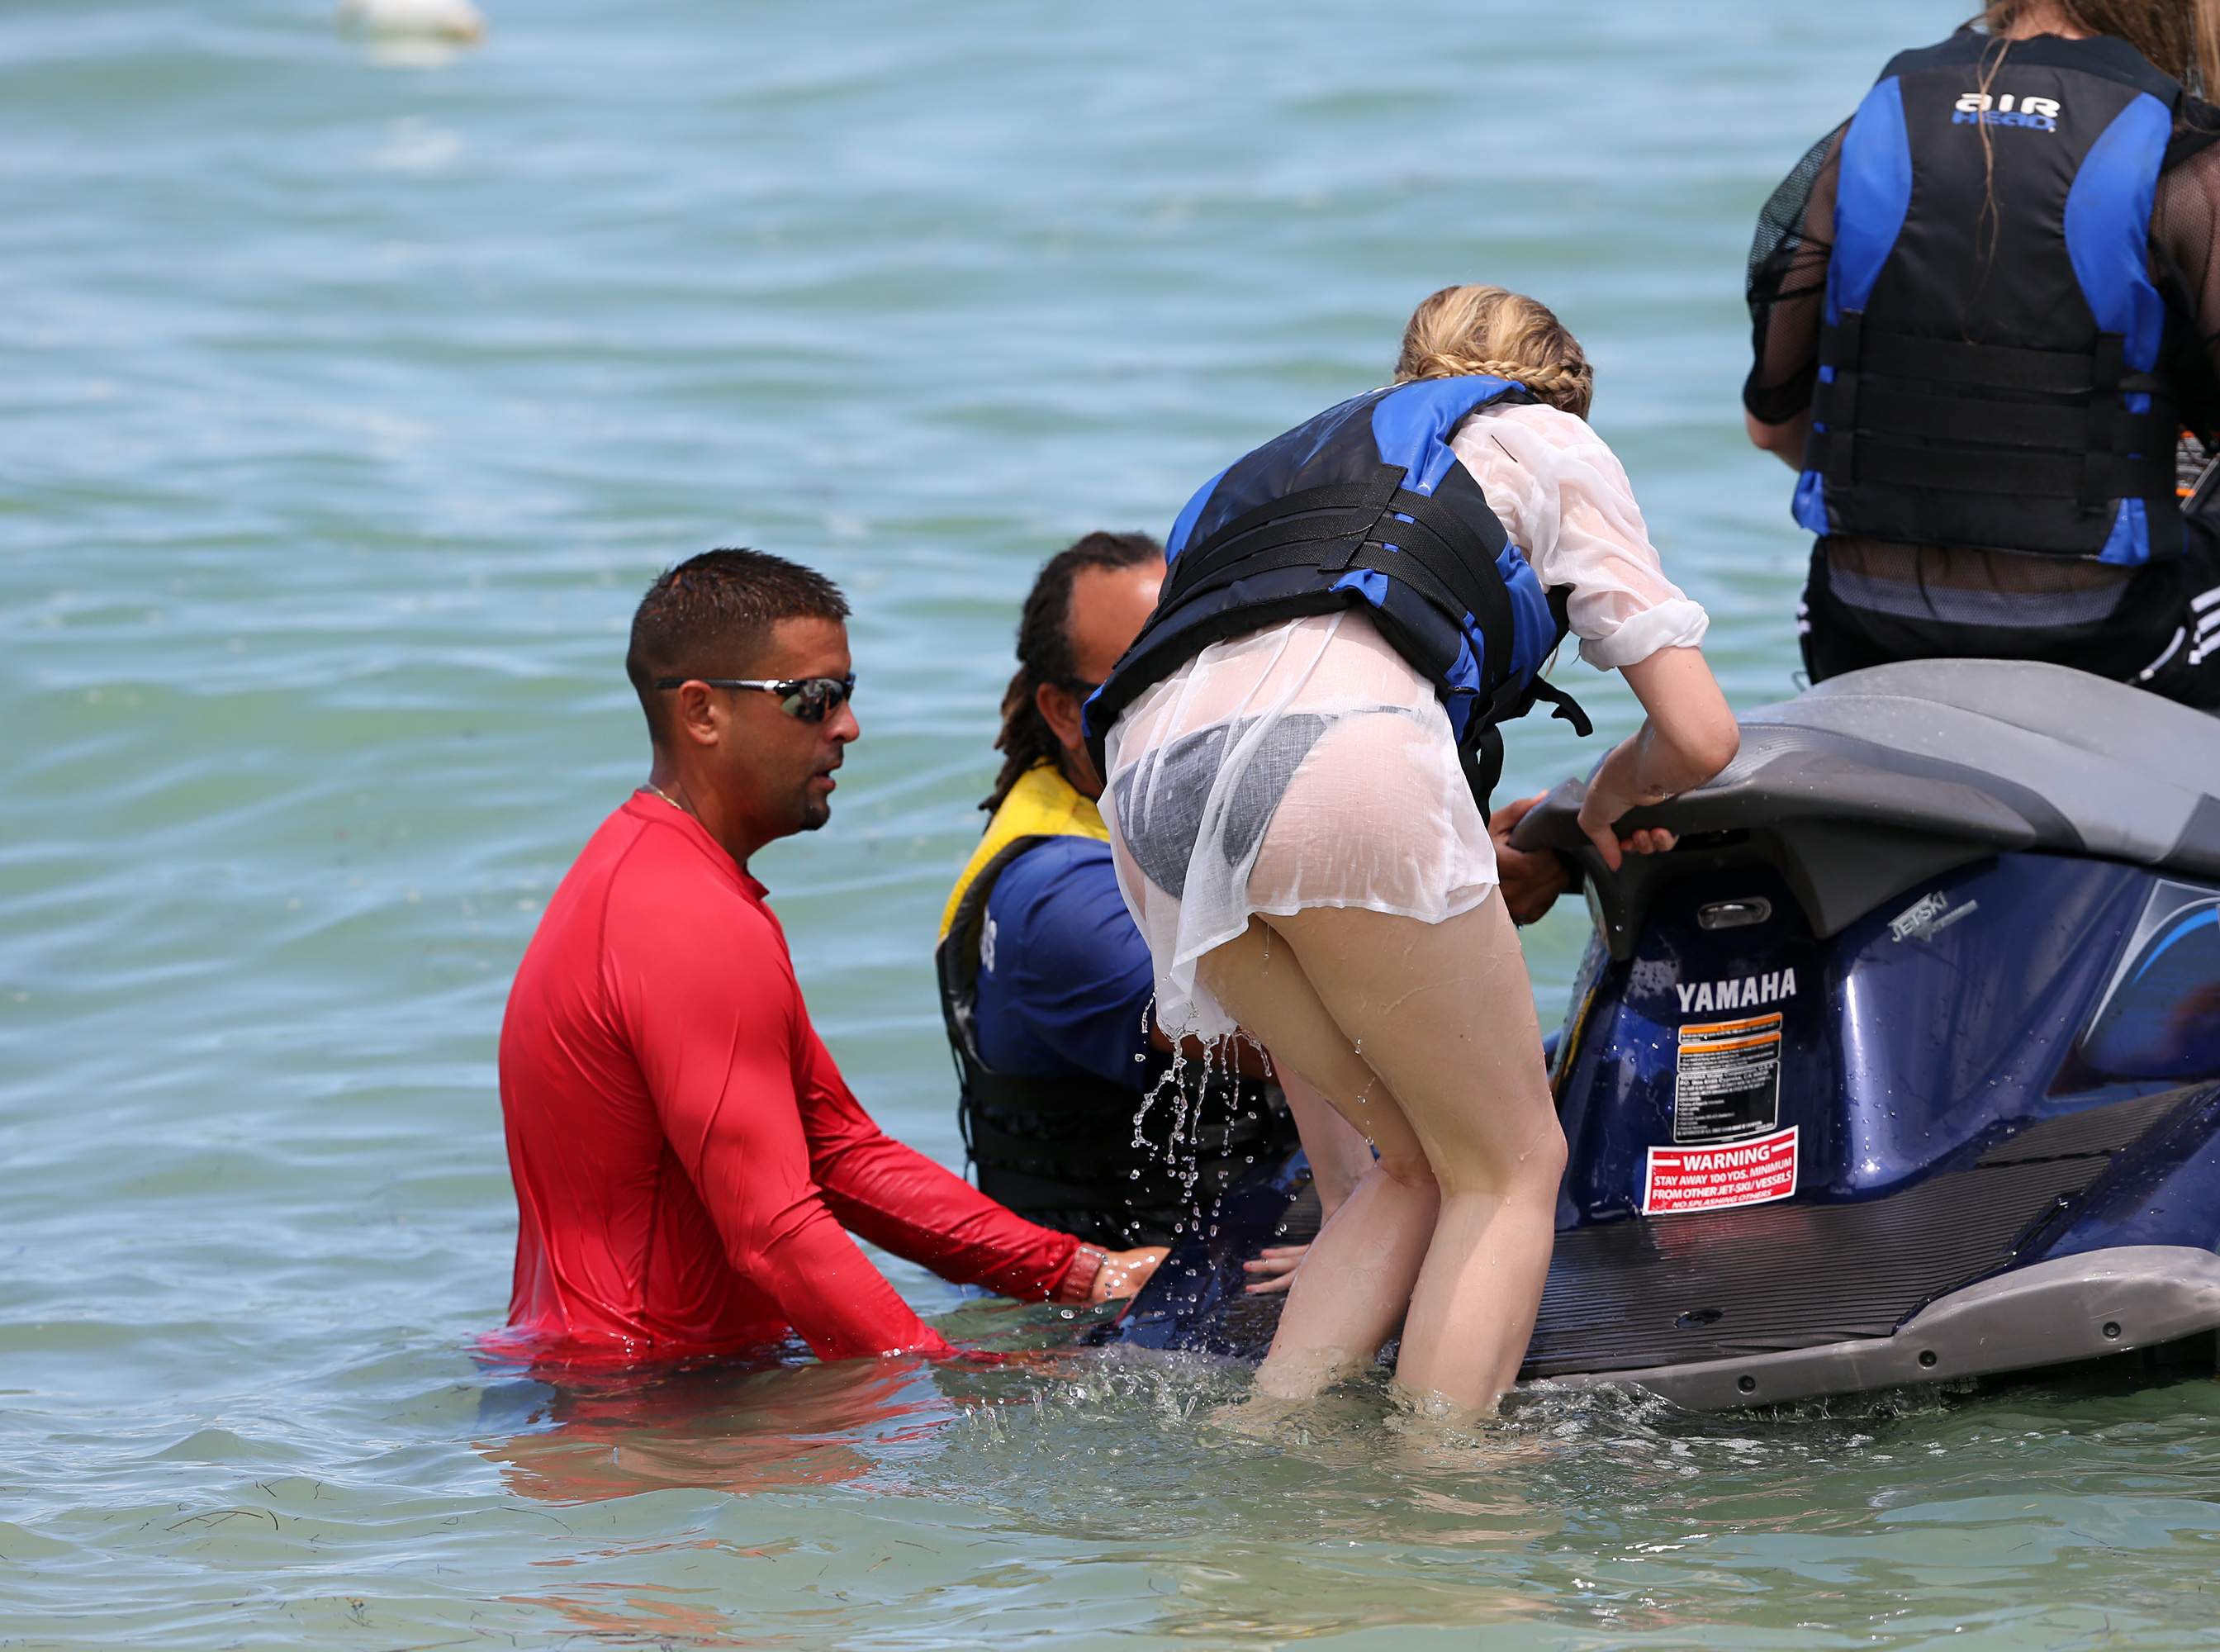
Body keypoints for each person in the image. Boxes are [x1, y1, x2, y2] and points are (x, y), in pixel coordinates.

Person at [1082, 287, 1741, 1413]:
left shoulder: (1281, 465)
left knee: (1411, 1163)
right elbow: (1701, 736)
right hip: (1343, 756)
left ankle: (1268, 1448)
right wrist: (1607, 798)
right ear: (1560, 390)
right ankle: (1446, 1492)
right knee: (1511, 1166)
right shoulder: (1544, 433)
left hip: (1149, 800)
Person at [492, 548, 1164, 1368]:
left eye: (848, 693)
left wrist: (1083, 1272)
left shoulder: (671, 880)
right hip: (645, 1406)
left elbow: (839, 1150)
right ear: (702, 712)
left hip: (642, 1384)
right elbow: (774, 1233)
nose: (847, 725)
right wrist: (953, 1383)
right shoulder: (682, 916)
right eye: (815, 697)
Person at [1741, 0, 2220, 737]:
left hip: (1853, 630)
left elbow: (1771, 429)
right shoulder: (2172, 138)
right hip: (2098, 640)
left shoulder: (1877, 115)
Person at [937, 531, 1574, 1253]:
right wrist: (1454, 911)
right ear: (1060, 711)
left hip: (1271, 1194)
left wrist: (1465, 871)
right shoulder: (1055, 901)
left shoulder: (1159, 811)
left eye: (1195, 662)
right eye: (1142, 683)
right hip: (1151, 1276)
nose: (1181, 702)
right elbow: (1317, 1036)